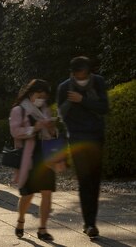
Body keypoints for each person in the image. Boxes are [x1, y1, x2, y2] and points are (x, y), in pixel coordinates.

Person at [57, 56, 109, 239]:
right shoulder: (64, 87)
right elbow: (60, 117)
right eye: (78, 74)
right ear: (72, 73)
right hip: (77, 139)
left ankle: (91, 220)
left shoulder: (98, 82)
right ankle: (89, 224)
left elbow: (104, 108)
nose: (81, 77)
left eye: (84, 73)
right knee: (84, 180)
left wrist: (82, 100)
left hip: (95, 137)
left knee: (94, 181)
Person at [10, 79, 57, 241]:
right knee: (28, 195)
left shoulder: (46, 110)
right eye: (39, 95)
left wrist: (51, 128)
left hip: (46, 155)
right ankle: (21, 220)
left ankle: (42, 228)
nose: (41, 99)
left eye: (44, 97)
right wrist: (33, 128)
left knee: (47, 192)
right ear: (31, 94)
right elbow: (15, 131)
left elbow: (52, 134)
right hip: (28, 157)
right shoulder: (19, 110)